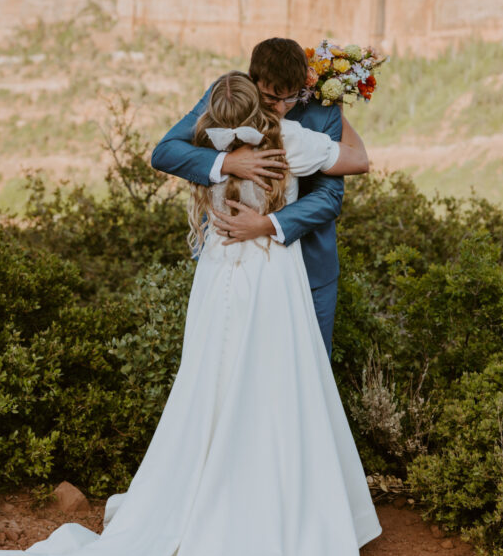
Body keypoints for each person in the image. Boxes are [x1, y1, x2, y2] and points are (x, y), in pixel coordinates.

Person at [0, 70, 381, 556]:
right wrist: (322, 117)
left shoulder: (212, 132)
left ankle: (221, 491)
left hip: (223, 269)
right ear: (265, 89)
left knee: (224, 382)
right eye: (281, 94)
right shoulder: (289, 139)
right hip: (268, 274)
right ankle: (274, 509)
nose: (288, 102)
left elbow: (196, 153)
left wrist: (317, 109)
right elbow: (355, 162)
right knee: (272, 387)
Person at [152, 37, 369, 357]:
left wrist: (268, 224)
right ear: (253, 81)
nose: (281, 107)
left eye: (291, 97)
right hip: (226, 263)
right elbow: (167, 151)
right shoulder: (228, 94)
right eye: (271, 96)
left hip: (307, 267)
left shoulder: (322, 113)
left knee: (306, 371)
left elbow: (329, 196)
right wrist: (228, 163)